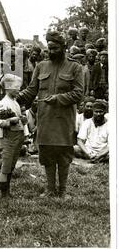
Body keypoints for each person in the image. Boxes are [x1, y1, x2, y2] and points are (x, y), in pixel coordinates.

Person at [17, 30, 83, 199]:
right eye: (49, 48)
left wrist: (59, 98)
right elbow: (32, 90)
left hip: (64, 120)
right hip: (45, 119)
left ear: (64, 47)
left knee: (63, 155)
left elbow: (78, 93)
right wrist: (17, 97)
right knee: (46, 154)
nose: (51, 51)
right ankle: (50, 189)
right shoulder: (41, 66)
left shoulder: (75, 67)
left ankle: (63, 191)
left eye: (55, 48)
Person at [0, 74, 26, 199]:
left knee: (12, 163)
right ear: (7, 88)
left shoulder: (15, 103)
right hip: (8, 137)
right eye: (17, 87)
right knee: (6, 164)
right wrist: (10, 122)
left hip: (17, 136)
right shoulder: (3, 103)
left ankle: (7, 188)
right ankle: (3, 191)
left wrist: (22, 120)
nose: (19, 90)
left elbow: (19, 119)